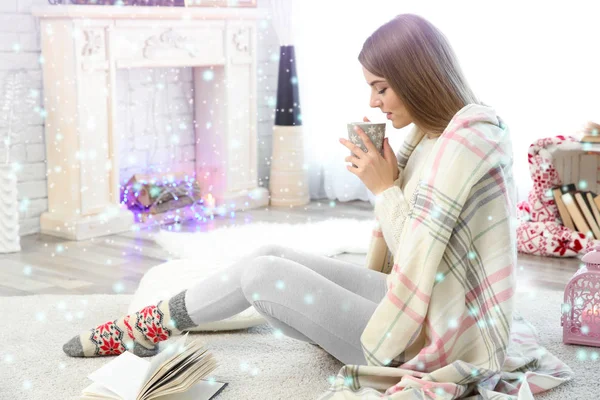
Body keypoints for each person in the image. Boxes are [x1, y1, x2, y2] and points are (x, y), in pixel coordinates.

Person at [63, 13, 571, 399]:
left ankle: (141, 329)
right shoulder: (432, 137)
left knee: (262, 274)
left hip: (437, 337)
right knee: (272, 248)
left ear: (417, 77)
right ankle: (152, 323)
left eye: (381, 87)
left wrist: (383, 188)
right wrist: (391, 180)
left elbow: (417, 253)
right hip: (418, 308)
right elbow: (413, 261)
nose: (375, 103)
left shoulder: (471, 138)